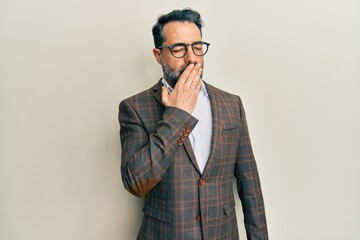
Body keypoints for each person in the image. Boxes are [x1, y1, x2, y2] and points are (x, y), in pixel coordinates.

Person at [118, 8, 268, 240]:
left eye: (197, 47)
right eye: (179, 49)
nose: (191, 58)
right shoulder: (134, 108)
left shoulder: (232, 104)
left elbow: (251, 186)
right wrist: (177, 114)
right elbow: (136, 183)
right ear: (158, 55)